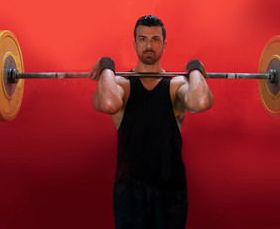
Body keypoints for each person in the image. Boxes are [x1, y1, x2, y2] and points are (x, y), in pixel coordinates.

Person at [89, 15, 213, 229]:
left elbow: (200, 101)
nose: (148, 45)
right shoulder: (122, 84)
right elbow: (107, 103)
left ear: (164, 44)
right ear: (135, 43)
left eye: (155, 39)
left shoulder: (175, 85)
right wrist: (107, 65)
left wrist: (194, 67)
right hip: (129, 192)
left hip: (171, 192)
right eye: (143, 39)